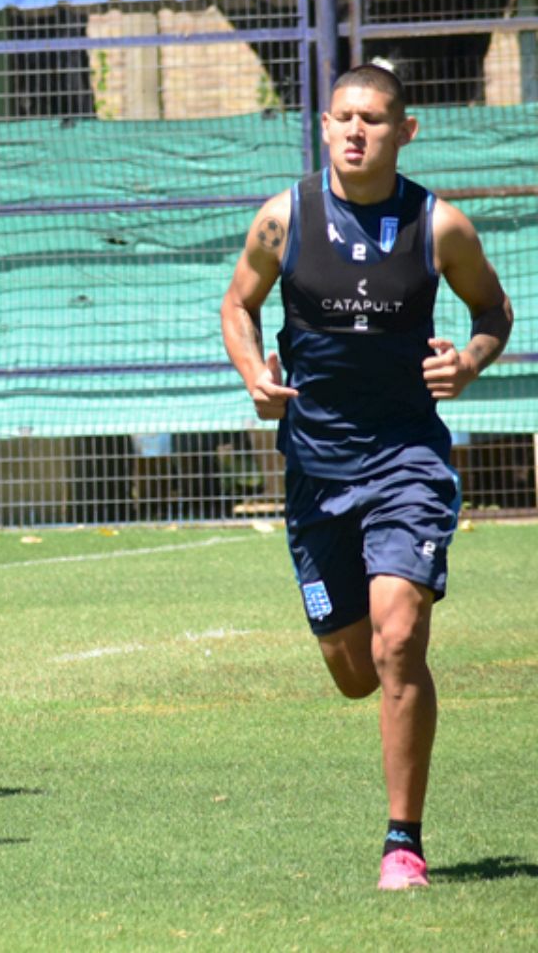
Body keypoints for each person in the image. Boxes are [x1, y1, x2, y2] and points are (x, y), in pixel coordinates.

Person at [219, 63, 513, 890]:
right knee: (353, 669)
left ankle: (402, 843)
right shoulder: (284, 220)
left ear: (405, 132)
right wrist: (253, 374)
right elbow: (237, 306)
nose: (358, 132)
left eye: (375, 120)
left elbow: (493, 310)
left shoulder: (439, 226)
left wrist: (471, 361)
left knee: (399, 637)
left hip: (406, 459)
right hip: (315, 466)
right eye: (345, 117)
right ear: (323, 125)